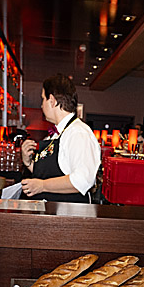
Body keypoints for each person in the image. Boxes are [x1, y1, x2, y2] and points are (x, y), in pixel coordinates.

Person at [19, 74, 100, 202]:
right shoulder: (57, 133)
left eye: (43, 99)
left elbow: (83, 180)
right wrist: (28, 162)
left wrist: (42, 186)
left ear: (52, 101)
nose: (41, 106)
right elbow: (48, 174)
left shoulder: (78, 133)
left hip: (67, 212)